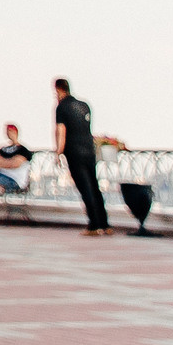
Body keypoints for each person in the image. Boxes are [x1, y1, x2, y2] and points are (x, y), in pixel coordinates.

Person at [54, 79, 112, 236]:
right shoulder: (83, 105)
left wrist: (58, 152)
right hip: (89, 150)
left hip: (74, 151)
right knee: (94, 186)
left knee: (85, 187)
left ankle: (94, 225)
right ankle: (105, 224)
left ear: (58, 90)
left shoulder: (62, 107)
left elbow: (61, 131)